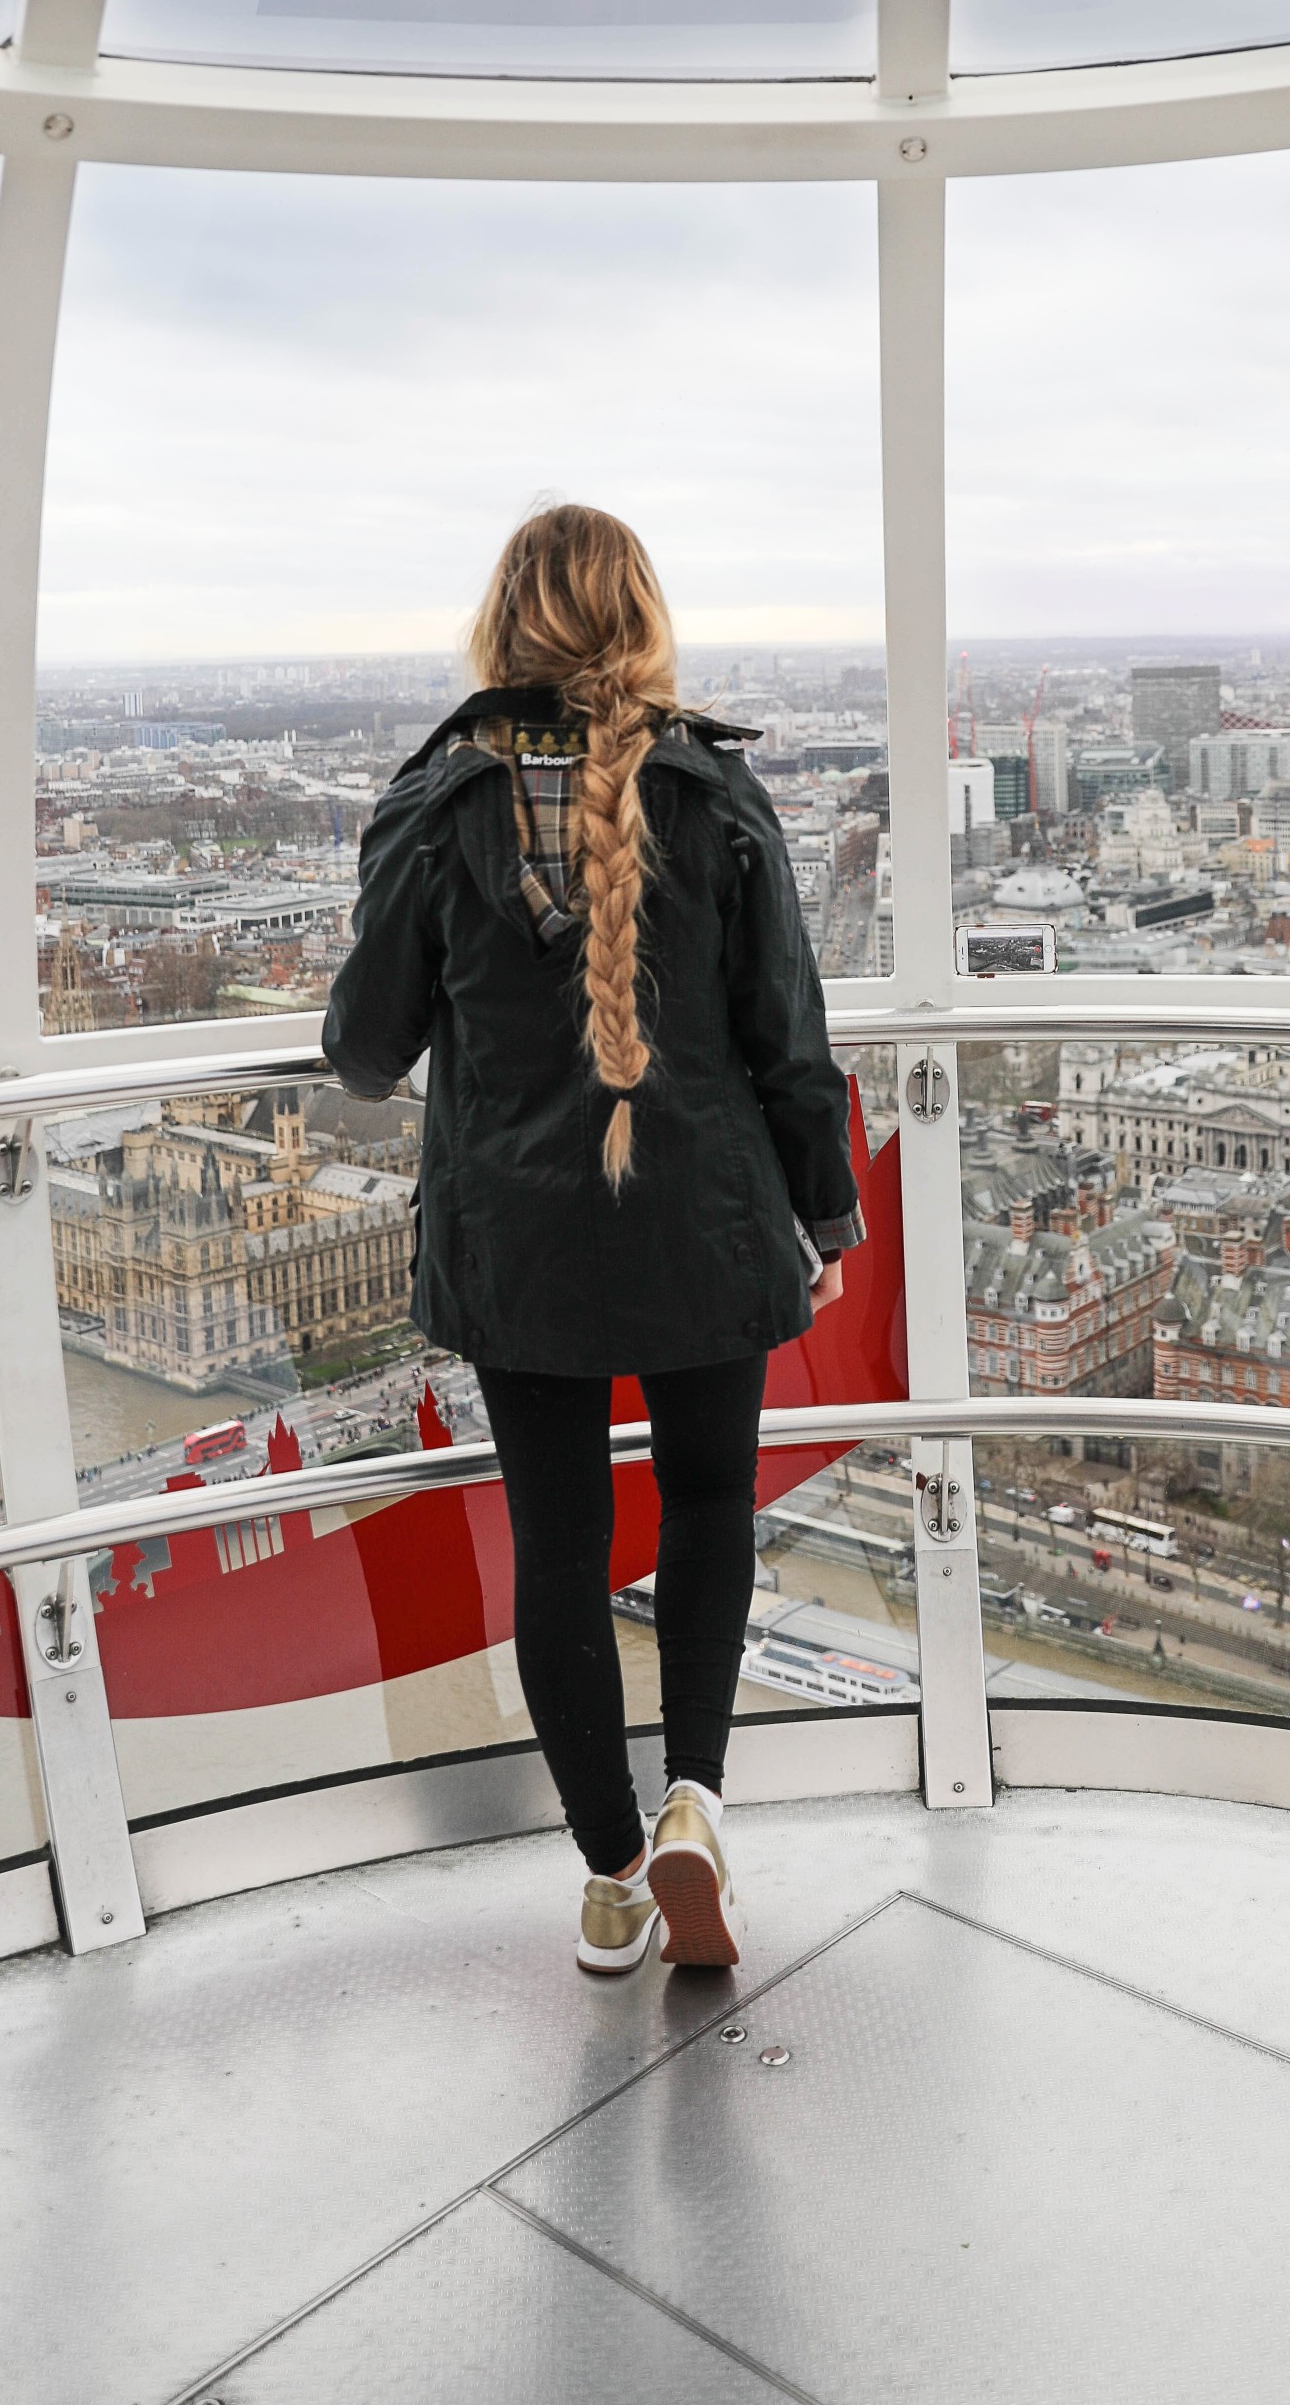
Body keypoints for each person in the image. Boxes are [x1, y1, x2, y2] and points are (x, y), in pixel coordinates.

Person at [322, 504, 864, 1974]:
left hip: (523, 1248)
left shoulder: (438, 809)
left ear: (500, 633)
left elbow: (362, 1055)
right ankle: (694, 1802)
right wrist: (824, 1217)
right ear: (642, 624)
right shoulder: (716, 798)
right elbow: (792, 1051)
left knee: (558, 1556)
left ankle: (615, 1877)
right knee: (703, 1512)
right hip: (704, 1226)